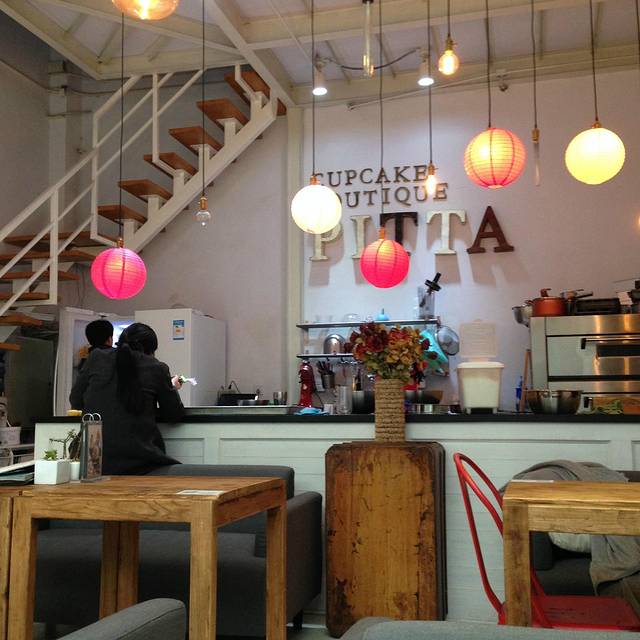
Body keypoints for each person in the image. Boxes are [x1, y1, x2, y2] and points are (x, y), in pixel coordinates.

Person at [70, 322, 185, 475]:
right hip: (141, 460)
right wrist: (171, 387)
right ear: (150, 350)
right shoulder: (156, 367)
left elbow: (76, 400)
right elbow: (173, 414)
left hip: (94, 460)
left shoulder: (96, 357)